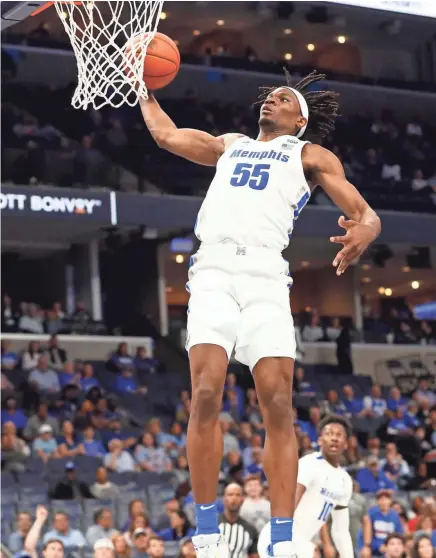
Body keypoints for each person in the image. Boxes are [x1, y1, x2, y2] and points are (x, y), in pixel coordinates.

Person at [140, 68, 381, 558]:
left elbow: (366, 213)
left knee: (277, 402)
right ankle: (206, 528)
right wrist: (143, 89)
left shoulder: (309, 154)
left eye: (284, 98)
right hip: (214, 270)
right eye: (270, 95)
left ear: (300, 121)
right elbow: (166, 135)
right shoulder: (229, 144)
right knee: (206, 391)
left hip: (268, 276)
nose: (272, 100)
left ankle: (280, 533)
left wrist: (367, 231)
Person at [258, 415, 354, 558]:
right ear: (320, 440)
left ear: (346, 443)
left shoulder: (345, 480)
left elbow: (340, 530)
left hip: (301, 542)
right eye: (329, 434)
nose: (334, 438)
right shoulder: (309, 464)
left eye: (339, 435)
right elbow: (288, 504)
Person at [219, 483, 259, 558]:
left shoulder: (250, 529)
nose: (234, 498)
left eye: (238, 495)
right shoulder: (212, 524)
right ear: (224, 499)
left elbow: (254, 555)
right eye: (230, 494)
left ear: (242, 500)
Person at [361, 490, 403, 558]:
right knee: (365, 552)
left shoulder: (395, 515)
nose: (384, 501)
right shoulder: (372, 513)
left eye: (386, 499)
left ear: (390, 501)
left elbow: (399, 534)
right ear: (377, 501)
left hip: (391, 546)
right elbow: (366, 534)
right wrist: (378, 546)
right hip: (375, 548)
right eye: (381, 499)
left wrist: (392, 546)